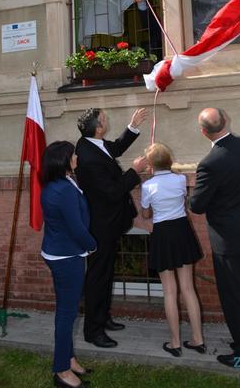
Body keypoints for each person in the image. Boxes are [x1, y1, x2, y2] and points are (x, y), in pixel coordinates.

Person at [190, 108, 240, 368]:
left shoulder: (210, 162)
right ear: (226, 120)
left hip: (228, 240)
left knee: (235, 297)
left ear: (203, 132)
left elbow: (197, 205)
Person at [75, 107, 148, 348]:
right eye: (105, 119)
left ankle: (103, 318)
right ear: (97, 127)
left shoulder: (95, 144)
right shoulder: (87, 156)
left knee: (105, 275)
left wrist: (133, 127)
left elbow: (114, 149)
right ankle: (93, 331)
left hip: (109, 223)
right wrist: (134, 171)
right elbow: (113, 192)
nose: (107, 121)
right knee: (98, 277)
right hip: (100, 226)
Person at [41, 141, 97, 388]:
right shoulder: (62, 189)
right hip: (67, 256)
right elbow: (75, 227)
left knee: (68, 311)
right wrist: (91, 245)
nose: (76, 157)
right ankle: (61, 370)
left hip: (61, 252)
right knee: (67, 314)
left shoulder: (59, 183)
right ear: (64, 159)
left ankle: (69, 358)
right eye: (73, 154)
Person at [141, 142, 204, 357]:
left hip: (163, 232)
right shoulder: (180, 179)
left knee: (169, 291)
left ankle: (175, 342)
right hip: (181, 230)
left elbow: (147, 215)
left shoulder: (148, 186)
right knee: (188, 288)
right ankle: (198, 340)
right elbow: (182, 200)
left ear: (150, 165)